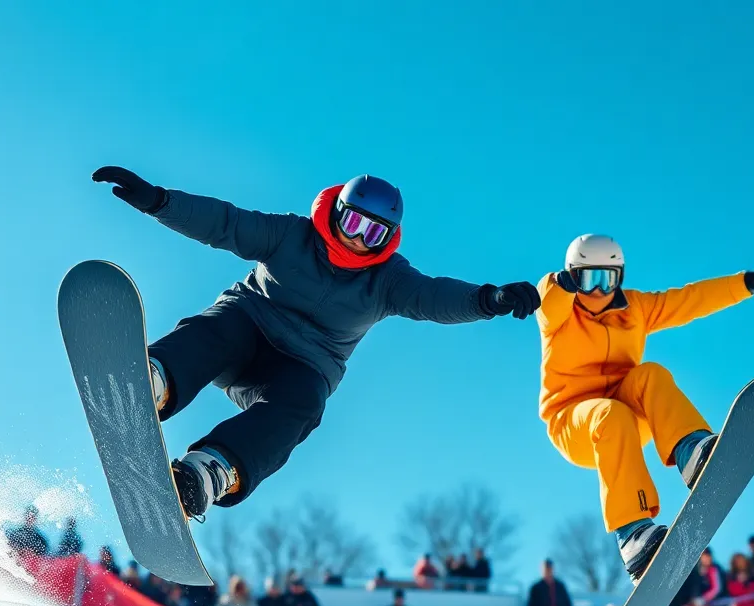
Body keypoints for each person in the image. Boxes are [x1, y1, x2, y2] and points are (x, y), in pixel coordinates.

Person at [92, 168, 539, 521]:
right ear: (337, 211)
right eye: (355, 223)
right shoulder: (292, 235)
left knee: (306, 404)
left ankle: (212, 471)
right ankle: (155, 379)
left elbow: (433, 296)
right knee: (220, 327)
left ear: (389, 239)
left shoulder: (389, 280)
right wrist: (160, 202)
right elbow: (226, 223)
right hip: (247, 328)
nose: (360, 240)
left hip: (302, 366)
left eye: (375, 233)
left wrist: (487, 299)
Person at [532, 233, 754, 581]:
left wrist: (747, 283)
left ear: (621, 277)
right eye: (588, 279)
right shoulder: (558, 311)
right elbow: (549, 301)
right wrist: (561, 287)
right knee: (608, 415)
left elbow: (689, 300)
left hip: (628, 413)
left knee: (651, 374)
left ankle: (693, 452)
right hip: (573, 421)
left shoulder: (635, 309)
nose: (599, 291)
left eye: (608, 279)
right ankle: (632, 534)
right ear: (572, 277)